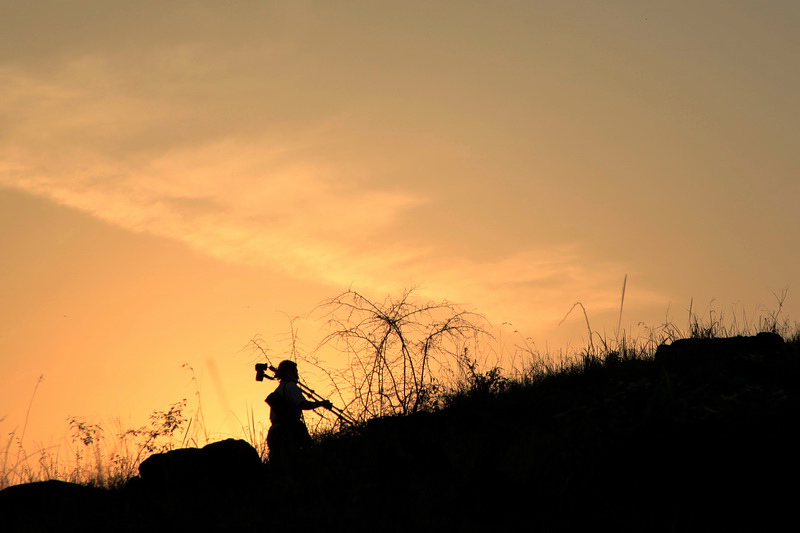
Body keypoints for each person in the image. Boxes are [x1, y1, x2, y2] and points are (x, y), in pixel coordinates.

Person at [266, 360, 331, 463]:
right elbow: (303, 404)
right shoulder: (290, 387)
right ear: (289, 372)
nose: (297, 375)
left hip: (275, 432)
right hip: (289, 432)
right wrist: (321, 404)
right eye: (295, 371)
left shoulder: (279, 389)